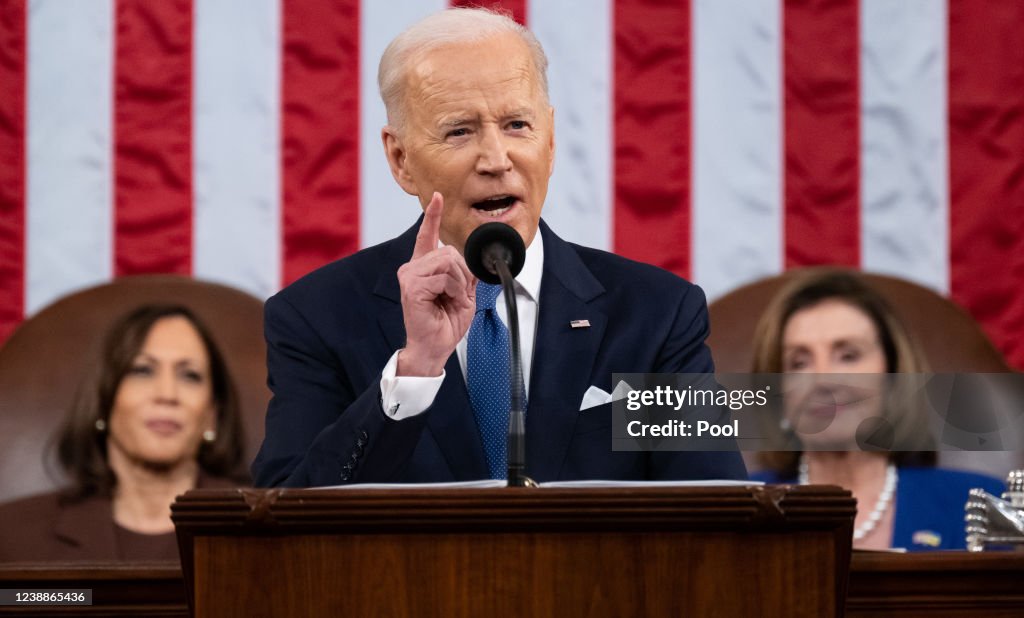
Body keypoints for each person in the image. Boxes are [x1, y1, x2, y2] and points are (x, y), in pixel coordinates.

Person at [252, 8, 746, 487]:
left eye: (517, 125)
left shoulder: (658, 315)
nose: (495, 159)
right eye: (459, 131)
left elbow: (716, 511)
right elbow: (285, 518)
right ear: (401, 159)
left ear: (549, 143)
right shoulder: (315, 318)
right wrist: (415, 372)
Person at [750, 268, 1004, 551]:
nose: (823, 380)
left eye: (848, 356)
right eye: (799, 363)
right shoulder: (737, 512)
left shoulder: (982, 506)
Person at [0, 304, 246, 562]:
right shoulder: (11, 535)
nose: (167, 394)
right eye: (142, 370)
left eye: (190, 376)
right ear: (103, 402)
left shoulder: (265, 533)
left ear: (212, 416)